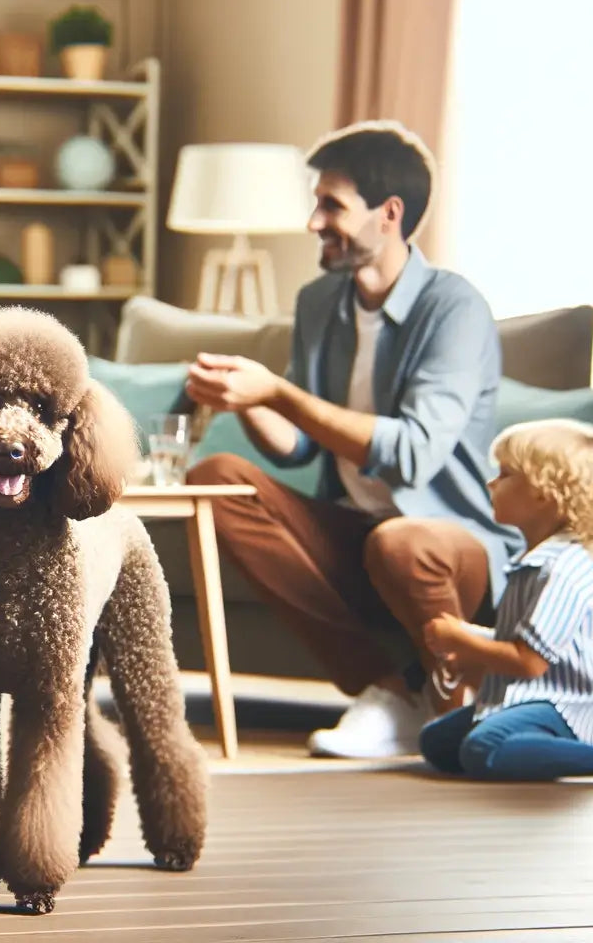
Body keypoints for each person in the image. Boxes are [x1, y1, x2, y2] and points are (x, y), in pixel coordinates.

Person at [184, 120, 522, 759]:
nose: (314, 221)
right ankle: (388, 692)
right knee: (215, 479)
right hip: (349, 529)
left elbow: (415, 453)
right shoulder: (320, 304)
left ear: (389, 214)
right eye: (317, 203)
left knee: (400, 542)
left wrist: (279, 394)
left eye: (331, 205)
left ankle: (456, 707)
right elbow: (301, 447)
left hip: (445, 540)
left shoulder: (453, 309)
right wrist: (244, 398)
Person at [418, 419, 593, 786]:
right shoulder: (533, 565)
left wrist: (461, 640)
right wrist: (469, 643)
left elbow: (529, 661)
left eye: (504, 474)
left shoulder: (562, 570)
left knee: (483, 749)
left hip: (565, 706)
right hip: (528, 698)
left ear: (542, 492)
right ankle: (531, 751)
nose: (492, 483)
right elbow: (527, 640)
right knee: (437, 742)